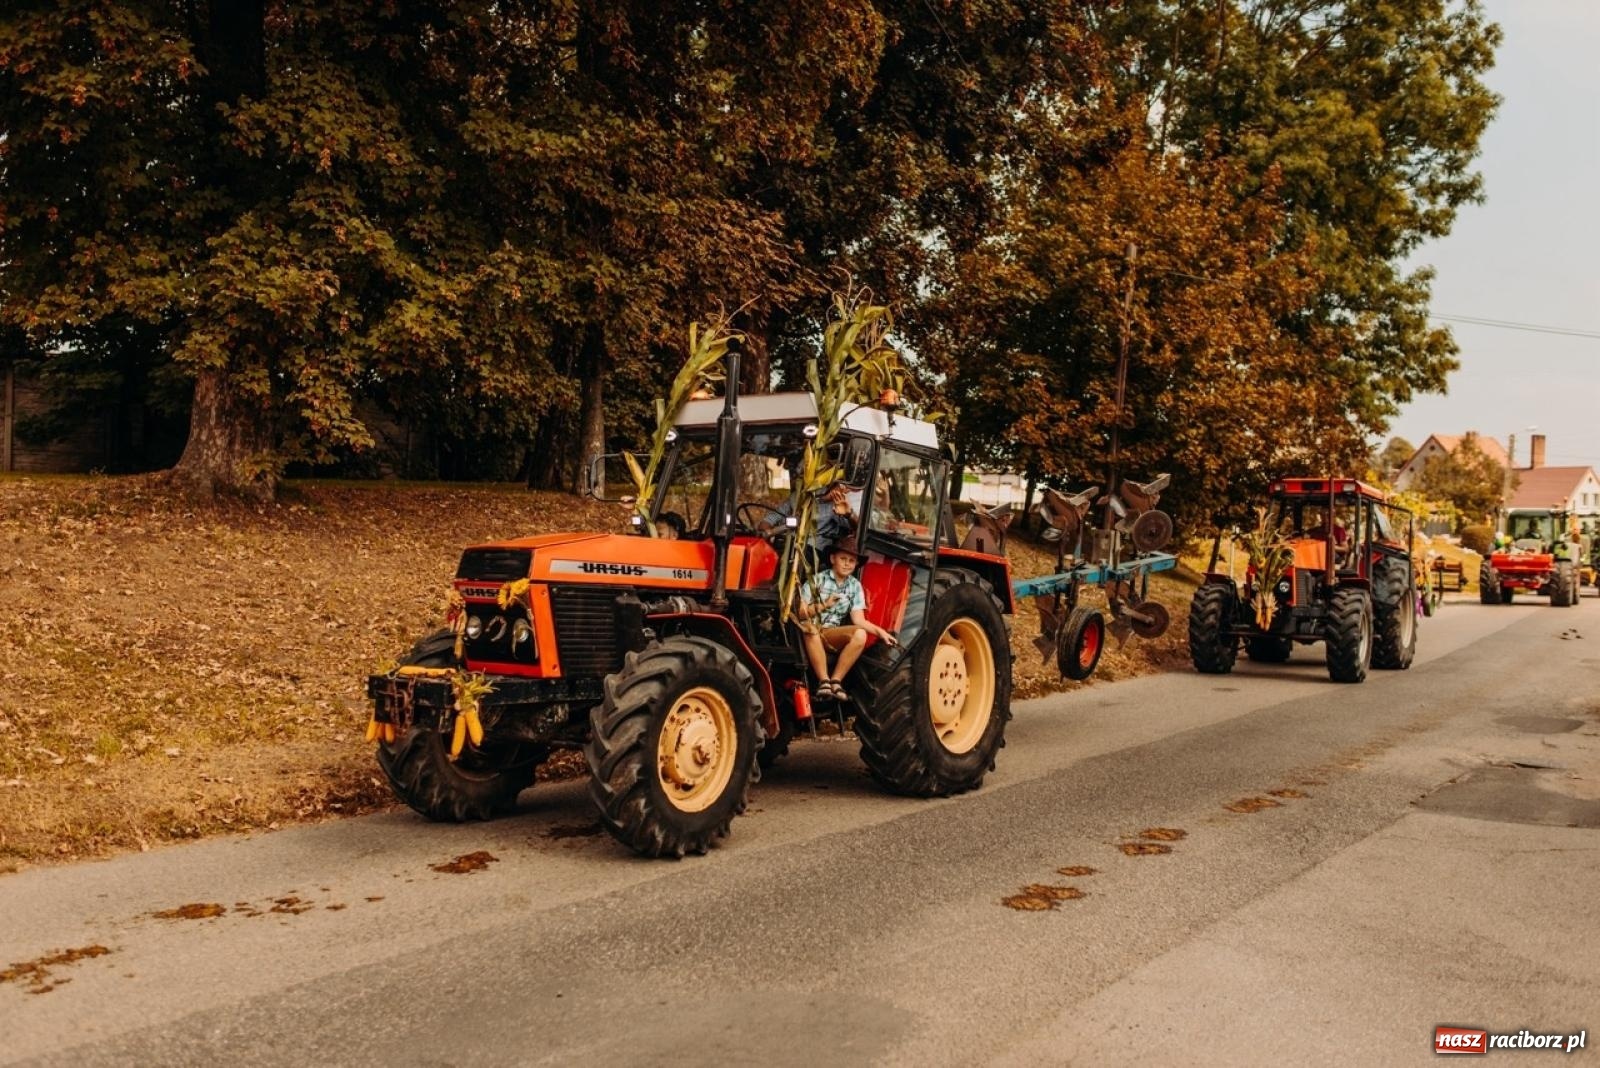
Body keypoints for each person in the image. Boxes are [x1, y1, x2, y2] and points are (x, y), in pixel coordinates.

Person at [798, 542, 898, 700]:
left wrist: (881, 632)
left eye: (851, 561)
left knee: (860, 634)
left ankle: (836, 681)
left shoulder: (854, 586)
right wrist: (824, 605)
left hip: (831, 633)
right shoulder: (817, 580)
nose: (846, 564)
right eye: (843, 558)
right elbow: (801, 614)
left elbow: (858, 620)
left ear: (856, 564)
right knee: (810, 627)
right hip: (812, 630)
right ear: (832, 558)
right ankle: (823, 680)